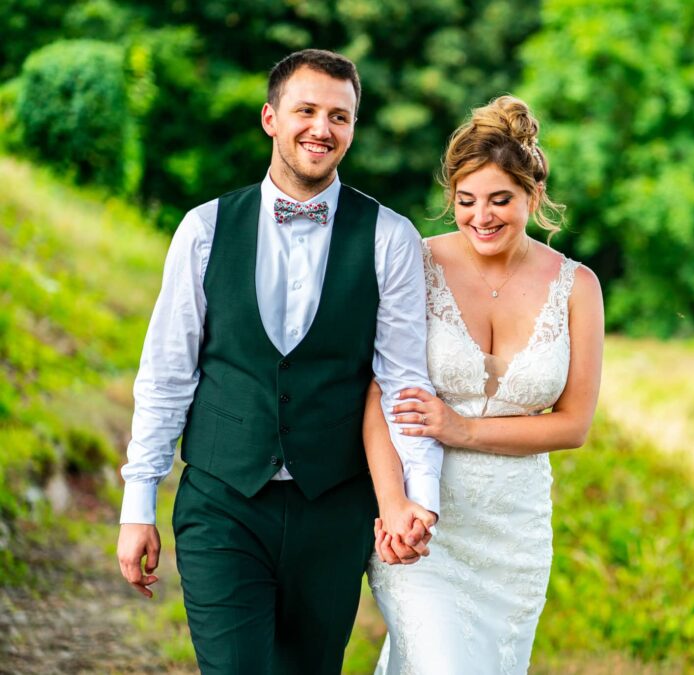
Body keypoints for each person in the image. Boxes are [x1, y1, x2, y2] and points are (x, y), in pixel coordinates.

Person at [114, 49, 442, 674]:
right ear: (271, 118)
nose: (322, 128)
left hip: (335, 509)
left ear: (353, 128)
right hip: (222, 504)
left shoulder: (389, 236)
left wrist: (415, 496)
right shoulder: (204, 229)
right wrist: (138, 505)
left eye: (339, 116)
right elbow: (166, 374)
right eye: (307, 110)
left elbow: (402, 382)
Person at [364, 95, 605, 674]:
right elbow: (376, 396)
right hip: (424, 523)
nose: (482, 216)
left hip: (514, 536)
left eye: (501, 199)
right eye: (466, 201)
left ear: (533, 196)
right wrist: (393, 505)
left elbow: (573, 426)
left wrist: (463, 428)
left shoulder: (579, 287)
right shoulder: (415, 264)